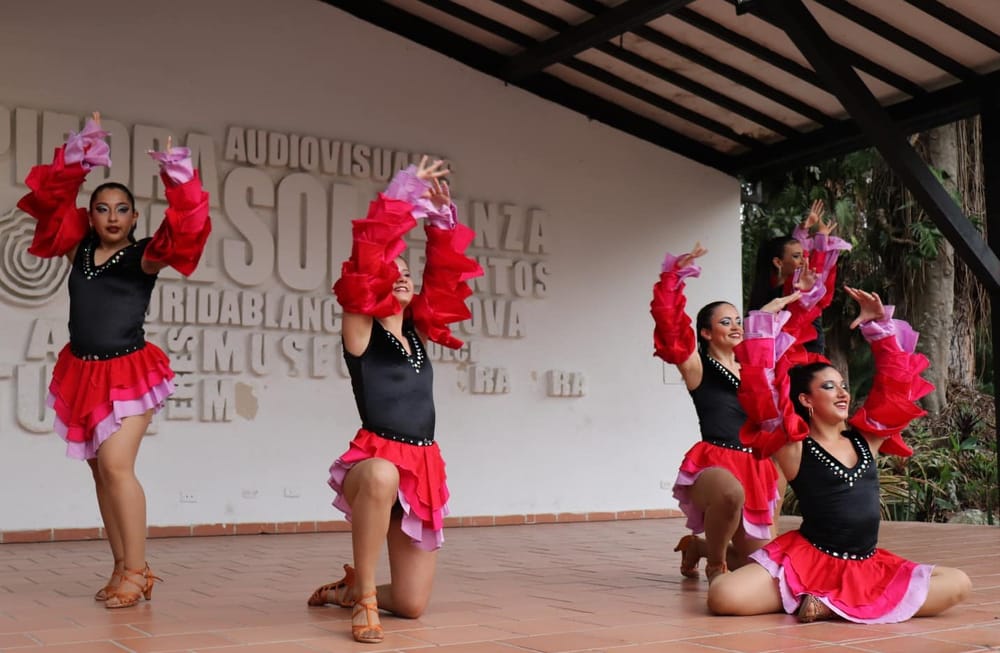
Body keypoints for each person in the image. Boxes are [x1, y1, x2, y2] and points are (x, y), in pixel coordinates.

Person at [17, 113, 211, 608]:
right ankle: (123, 567)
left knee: (116, 465)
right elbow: (49, 204)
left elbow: (188, 228)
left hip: (129, 370)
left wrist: (179, 178)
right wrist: (78, 157)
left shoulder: (144, 256)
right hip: (82, 371)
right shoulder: (77, 251)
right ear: (92, 214)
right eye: (102, 208)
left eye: (121, 209)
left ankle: (139, 569)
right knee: (101, 473)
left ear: (133, 218)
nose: (111, 217)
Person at [707, 287, 972, 622]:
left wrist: (879, 329)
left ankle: (824, 603)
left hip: (866, 564)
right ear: (805, 400)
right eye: (829, 387)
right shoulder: (794, 446)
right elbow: (761, 390)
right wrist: (764, 322)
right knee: (723, 595)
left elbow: (896, 387)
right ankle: (824, 598)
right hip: (809, 558)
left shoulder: (867, 439)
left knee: (959, 582)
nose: (843, 392)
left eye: (843, 385)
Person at [306, 157, 482, 643]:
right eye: (391, 269)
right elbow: (366, 263)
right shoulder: (361, 333)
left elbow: (445, 280)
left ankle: (349, 590)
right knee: (383, 474)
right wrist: (403, 194)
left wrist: (442, 224)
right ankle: (364, 597)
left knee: (411, 604)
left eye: (407, 270)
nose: (401, 275)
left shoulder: (419, 331)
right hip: (377, 460)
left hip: (423, 464)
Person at [651, 243, 817, 581]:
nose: (736, 325)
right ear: (707, 333)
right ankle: (715, 563)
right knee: (730, 493)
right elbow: (671, 332)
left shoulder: (753, 367)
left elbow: (769, 323)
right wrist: (673, 278)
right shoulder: (698, 366)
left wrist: (793, 294)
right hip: (716, 462)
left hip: (755, 466)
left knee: (760, 566)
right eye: (725, 321)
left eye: (738, 320)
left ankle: (698, 548)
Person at [747, 199, 847, 354]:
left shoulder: (796, 286)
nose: (804, 260)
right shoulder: (787, 289)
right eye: (796, 256)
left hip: (804, 347)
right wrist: (820, 241)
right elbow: (818, 272)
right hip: (788, 349)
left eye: (803, 255)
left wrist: (805, 229)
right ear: (778, 262)